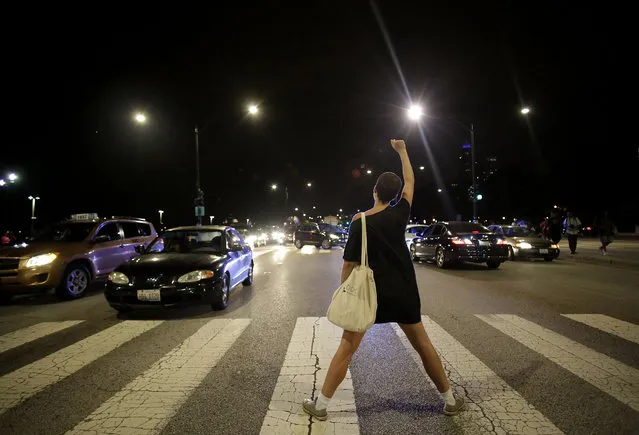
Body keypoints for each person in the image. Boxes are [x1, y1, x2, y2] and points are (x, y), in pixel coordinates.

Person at [302, 139, 465, 420]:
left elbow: (349, 264)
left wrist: (343, 290)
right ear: (395, 194)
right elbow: (411, 181)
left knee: (347, 348)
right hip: (403, 290)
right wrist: (402, 151)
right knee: (422, 344)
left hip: (369, 295)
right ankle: (449, 400)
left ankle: (321, 406)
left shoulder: (360, 221)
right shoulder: (401, 213)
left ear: (374, 190)